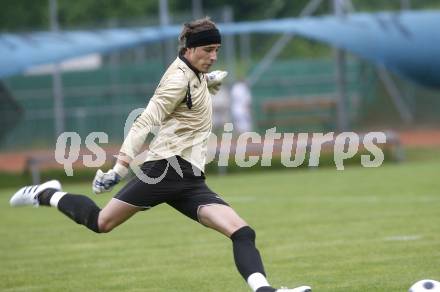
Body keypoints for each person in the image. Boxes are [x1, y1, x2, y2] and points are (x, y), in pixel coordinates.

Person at [9, 17, 311, 292]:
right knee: (101, 222)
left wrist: (210, 82)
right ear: (190, 49)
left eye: (217, 49)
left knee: (243, 232)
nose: (213, 56)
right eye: (208, 49)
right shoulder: (177, 80)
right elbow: (145, 121)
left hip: (189, 177)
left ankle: (265, 291)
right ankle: (46, 193)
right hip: (165, 170)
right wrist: (121, 166)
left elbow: (194, 96)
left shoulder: (195, 72)